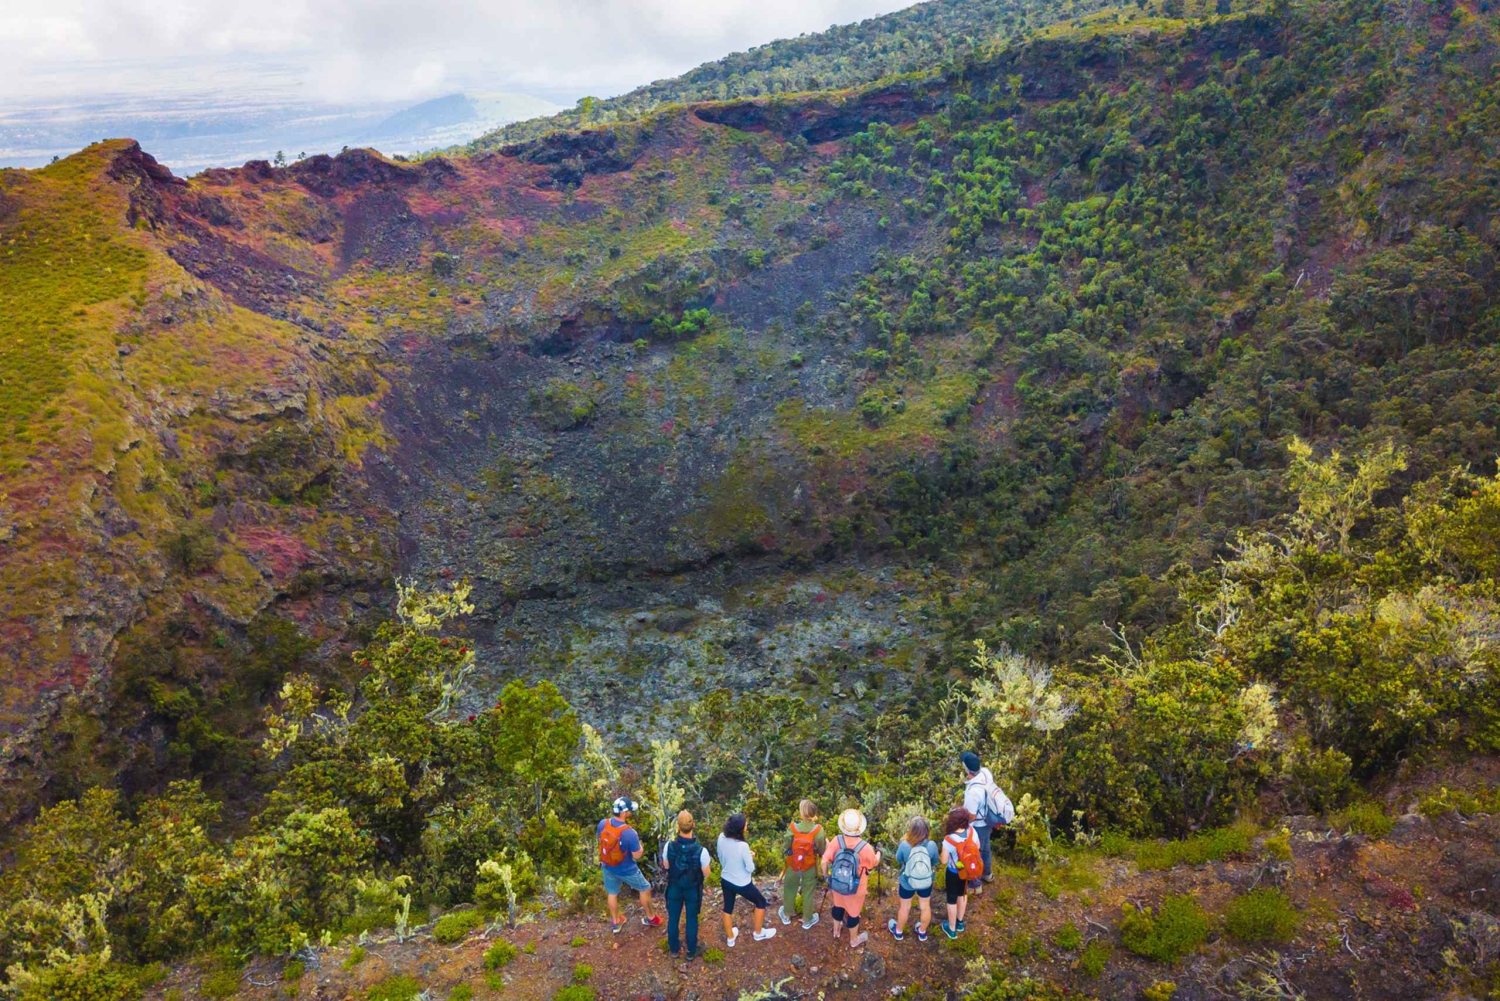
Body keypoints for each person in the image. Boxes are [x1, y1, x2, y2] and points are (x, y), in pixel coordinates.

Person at [597, 797, 662, 933]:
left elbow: (600, 841)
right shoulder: (629, 832)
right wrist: (642, 847)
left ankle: (616, 922)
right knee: (645, 888)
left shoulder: (603, 823)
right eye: (630, 810)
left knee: (612, 893)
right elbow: (637, 855)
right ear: (624, 812)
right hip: (627, 869)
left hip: (608, 866)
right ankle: (651, 918)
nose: (632, 811)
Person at [820, 808, 882, 950]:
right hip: (856, 887)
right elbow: (873, 863)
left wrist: (826, 876)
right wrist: (878, 853)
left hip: (836, 883)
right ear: (859, 828)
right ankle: (853, 939)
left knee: (838, 905)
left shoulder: (837, 841)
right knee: (854, 913)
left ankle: (836, 931)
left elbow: (824, 861)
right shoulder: (865, 847)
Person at [717, 813, 777, 946]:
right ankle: (758, 933)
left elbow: (723, 856)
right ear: (740, 829)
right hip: (742, 883)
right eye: (745, 824)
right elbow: (750, 868)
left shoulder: (721, 837)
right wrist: (750, 857)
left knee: (728, 908)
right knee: (760, 902)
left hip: (726, 879)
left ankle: (731, 938)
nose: (747, 825)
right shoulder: (743, 846)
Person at [660, 810, 711, 959]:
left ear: (678, 827)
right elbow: (707, 873)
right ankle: (691, 951)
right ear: (693, 825)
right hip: (692, 889)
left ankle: (674, 949)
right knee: (692, 919)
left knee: (673, 918)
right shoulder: (701, 851)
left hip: (674, 887)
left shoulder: (668, 846)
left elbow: (666, 866)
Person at [961, 751, 1011, 891]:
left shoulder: (973, 792)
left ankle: (975, 884)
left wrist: (961, 822)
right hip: (988, 820)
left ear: (966, 769)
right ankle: (987, 874)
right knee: (985, 848)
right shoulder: (985, 773)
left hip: (978, 825)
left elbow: (971, 815)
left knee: (974, 853)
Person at [888, 815, 938, 942]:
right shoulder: (932, 845)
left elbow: (898, 859)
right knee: (925, 906)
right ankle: (922, 932)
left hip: (907, 881)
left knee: (905, 907)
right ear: (927, 830)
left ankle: (898, 932)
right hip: (926, 881)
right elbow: (935, 861)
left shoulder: (905, 845)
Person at [779, 799, 826, 929]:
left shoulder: (793, 827)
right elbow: (821, 849)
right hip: (809, 865)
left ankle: (787, 914)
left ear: (802, 813)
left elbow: (786, 845)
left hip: (793, 863)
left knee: (789, 888)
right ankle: (807, 919)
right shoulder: (818, 830)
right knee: (808, 891)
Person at [939, 807, 981, 939]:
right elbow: (978, 847)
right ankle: (960, 922)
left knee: (951, 899)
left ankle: (951, 929)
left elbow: (944, 861)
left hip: (953, 872)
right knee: (962, 894)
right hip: (967, 872)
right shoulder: (972, 832)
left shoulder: (949, 839)